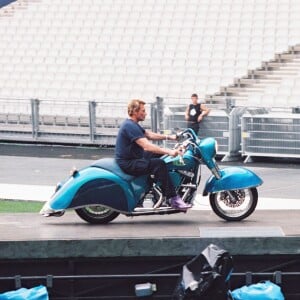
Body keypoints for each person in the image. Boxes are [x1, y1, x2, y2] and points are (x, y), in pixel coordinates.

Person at [115, 99, 192, 210]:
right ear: (135, 112)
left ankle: (155, 185)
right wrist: (169, 151)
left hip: (133, 158)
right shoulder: (130, 126)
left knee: (157, 156)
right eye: (143, 111)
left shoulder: (133, 124)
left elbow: (149, 135)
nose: (145, 113)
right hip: (129, 163)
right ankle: (173, 199)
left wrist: (170, 137)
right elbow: (147, 146)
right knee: (159, 164)